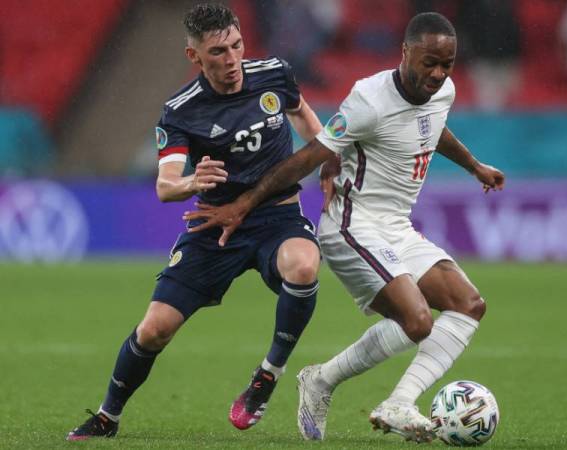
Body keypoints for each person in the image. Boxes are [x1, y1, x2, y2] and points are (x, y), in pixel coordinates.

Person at [183, 12, 505, 443]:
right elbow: (310, 155)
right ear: (405, 52)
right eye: (429, 62)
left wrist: (474, 166)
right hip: (352, 225)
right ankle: (333, 386)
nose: (438, 73)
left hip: (397, 227)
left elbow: (433, 126)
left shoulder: (442, 90)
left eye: (446, 64)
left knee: (469, 305)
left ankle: (374, 395)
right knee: (418, 320)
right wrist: (242, 204)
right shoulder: (369, 100)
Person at [66, 3, 323, 440]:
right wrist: (192, 182)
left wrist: (326, 154)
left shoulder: (275, 73)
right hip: (213, 227)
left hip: (276, 216)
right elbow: (166, 186)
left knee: (303, 265)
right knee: (154, 330)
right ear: (195, 57)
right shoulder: (182, 111)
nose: (232, 61)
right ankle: (108, 416)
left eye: (237, 46)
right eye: (219, 52)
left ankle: (267, 375)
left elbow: (301, 114)